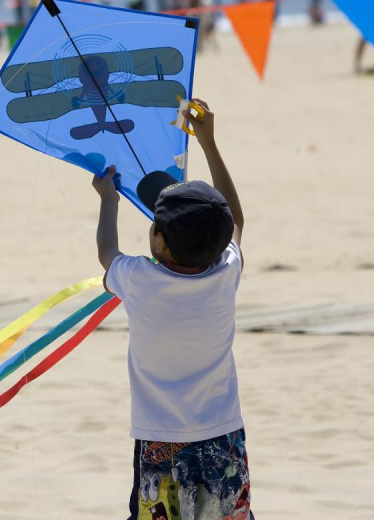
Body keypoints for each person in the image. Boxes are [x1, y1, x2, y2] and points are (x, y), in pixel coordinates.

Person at [91, 99, 253, 520]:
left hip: (160, 440)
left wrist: (108, 199)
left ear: (160, 243)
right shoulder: (226, 272)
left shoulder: (142, 280)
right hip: (224, 435)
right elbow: (235, 219)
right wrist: (209, 143)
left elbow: (107, 251)